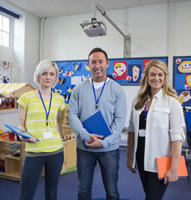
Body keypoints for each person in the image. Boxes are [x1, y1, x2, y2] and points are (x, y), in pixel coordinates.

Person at [68, 47, 127, 200]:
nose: (97, 65)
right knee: (83, 191)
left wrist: (105, 142)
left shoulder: (117, 89)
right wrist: (86, 136)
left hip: (109, 149)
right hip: (84, 149)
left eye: (100, 61)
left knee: (112, 191)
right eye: (93, 62)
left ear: (107, 63)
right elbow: (72, 115)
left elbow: (120, 120)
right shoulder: (78, 90)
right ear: (89, 65)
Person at [127, 60, 185, 200]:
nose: (156, 78)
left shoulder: (172, 102)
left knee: (152, 197)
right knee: (149, 194)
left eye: (160, 75)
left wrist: (174, 168)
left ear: (165, 77)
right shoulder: (138, 101)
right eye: (152, 74)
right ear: (146, 76)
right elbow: (132, 131)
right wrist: (130, 157)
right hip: (141, 157)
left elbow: (177, 138)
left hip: (161, 160)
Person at [17, 60, 66, 200]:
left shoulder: (60, 99)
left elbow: (58, 123)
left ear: (56, 77)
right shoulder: (25, 98)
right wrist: (22, 135)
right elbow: (21, 125)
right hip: (34, 151)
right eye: (44, 73)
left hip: (56, 151)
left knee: (52, 192)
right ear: (38, 75)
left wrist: (62, 140)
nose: (48, 77)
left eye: (52, 74)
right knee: (27, 193)